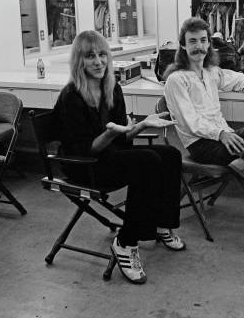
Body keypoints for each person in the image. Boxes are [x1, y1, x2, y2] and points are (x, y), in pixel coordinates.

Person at [53, 30, 184, 285]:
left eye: (102, 54)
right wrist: (110, 133)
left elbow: (124, 139)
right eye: (90, 56)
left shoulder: (113, 90)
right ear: (79, 61)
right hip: (84, 166)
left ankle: (161, 223)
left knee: (170, 154)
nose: (99, 61)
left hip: (111, 156)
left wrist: (142, 125)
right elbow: (85, 150)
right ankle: (125, 242)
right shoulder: (71, 97)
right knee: (147, 162)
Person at [163, 17, 244, 265]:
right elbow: (190, 122)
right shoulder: (176, 80)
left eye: (203, 40)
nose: (199, 46)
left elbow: (239, 78)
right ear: (182, 46)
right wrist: (222, 134)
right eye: (192, 42)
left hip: (227, 138)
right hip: (203, 145)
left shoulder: (211, 72)